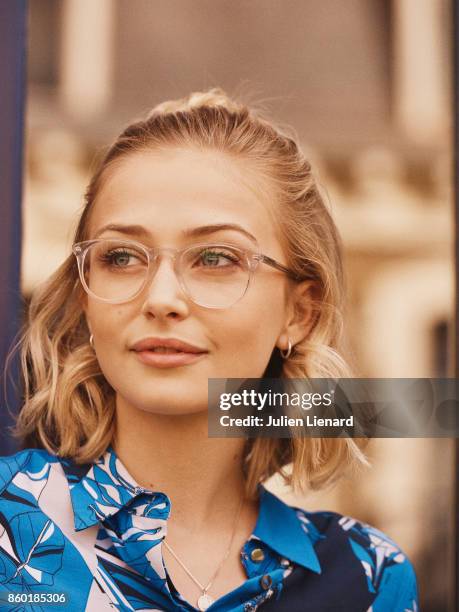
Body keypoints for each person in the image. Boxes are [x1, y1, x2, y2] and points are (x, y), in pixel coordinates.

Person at [0, 89, 418, 611]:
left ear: (299, 312)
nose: (161, 299)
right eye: (122, 256)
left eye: (217, 258)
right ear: (86, 297)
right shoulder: (8, 529)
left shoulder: (367, 577)